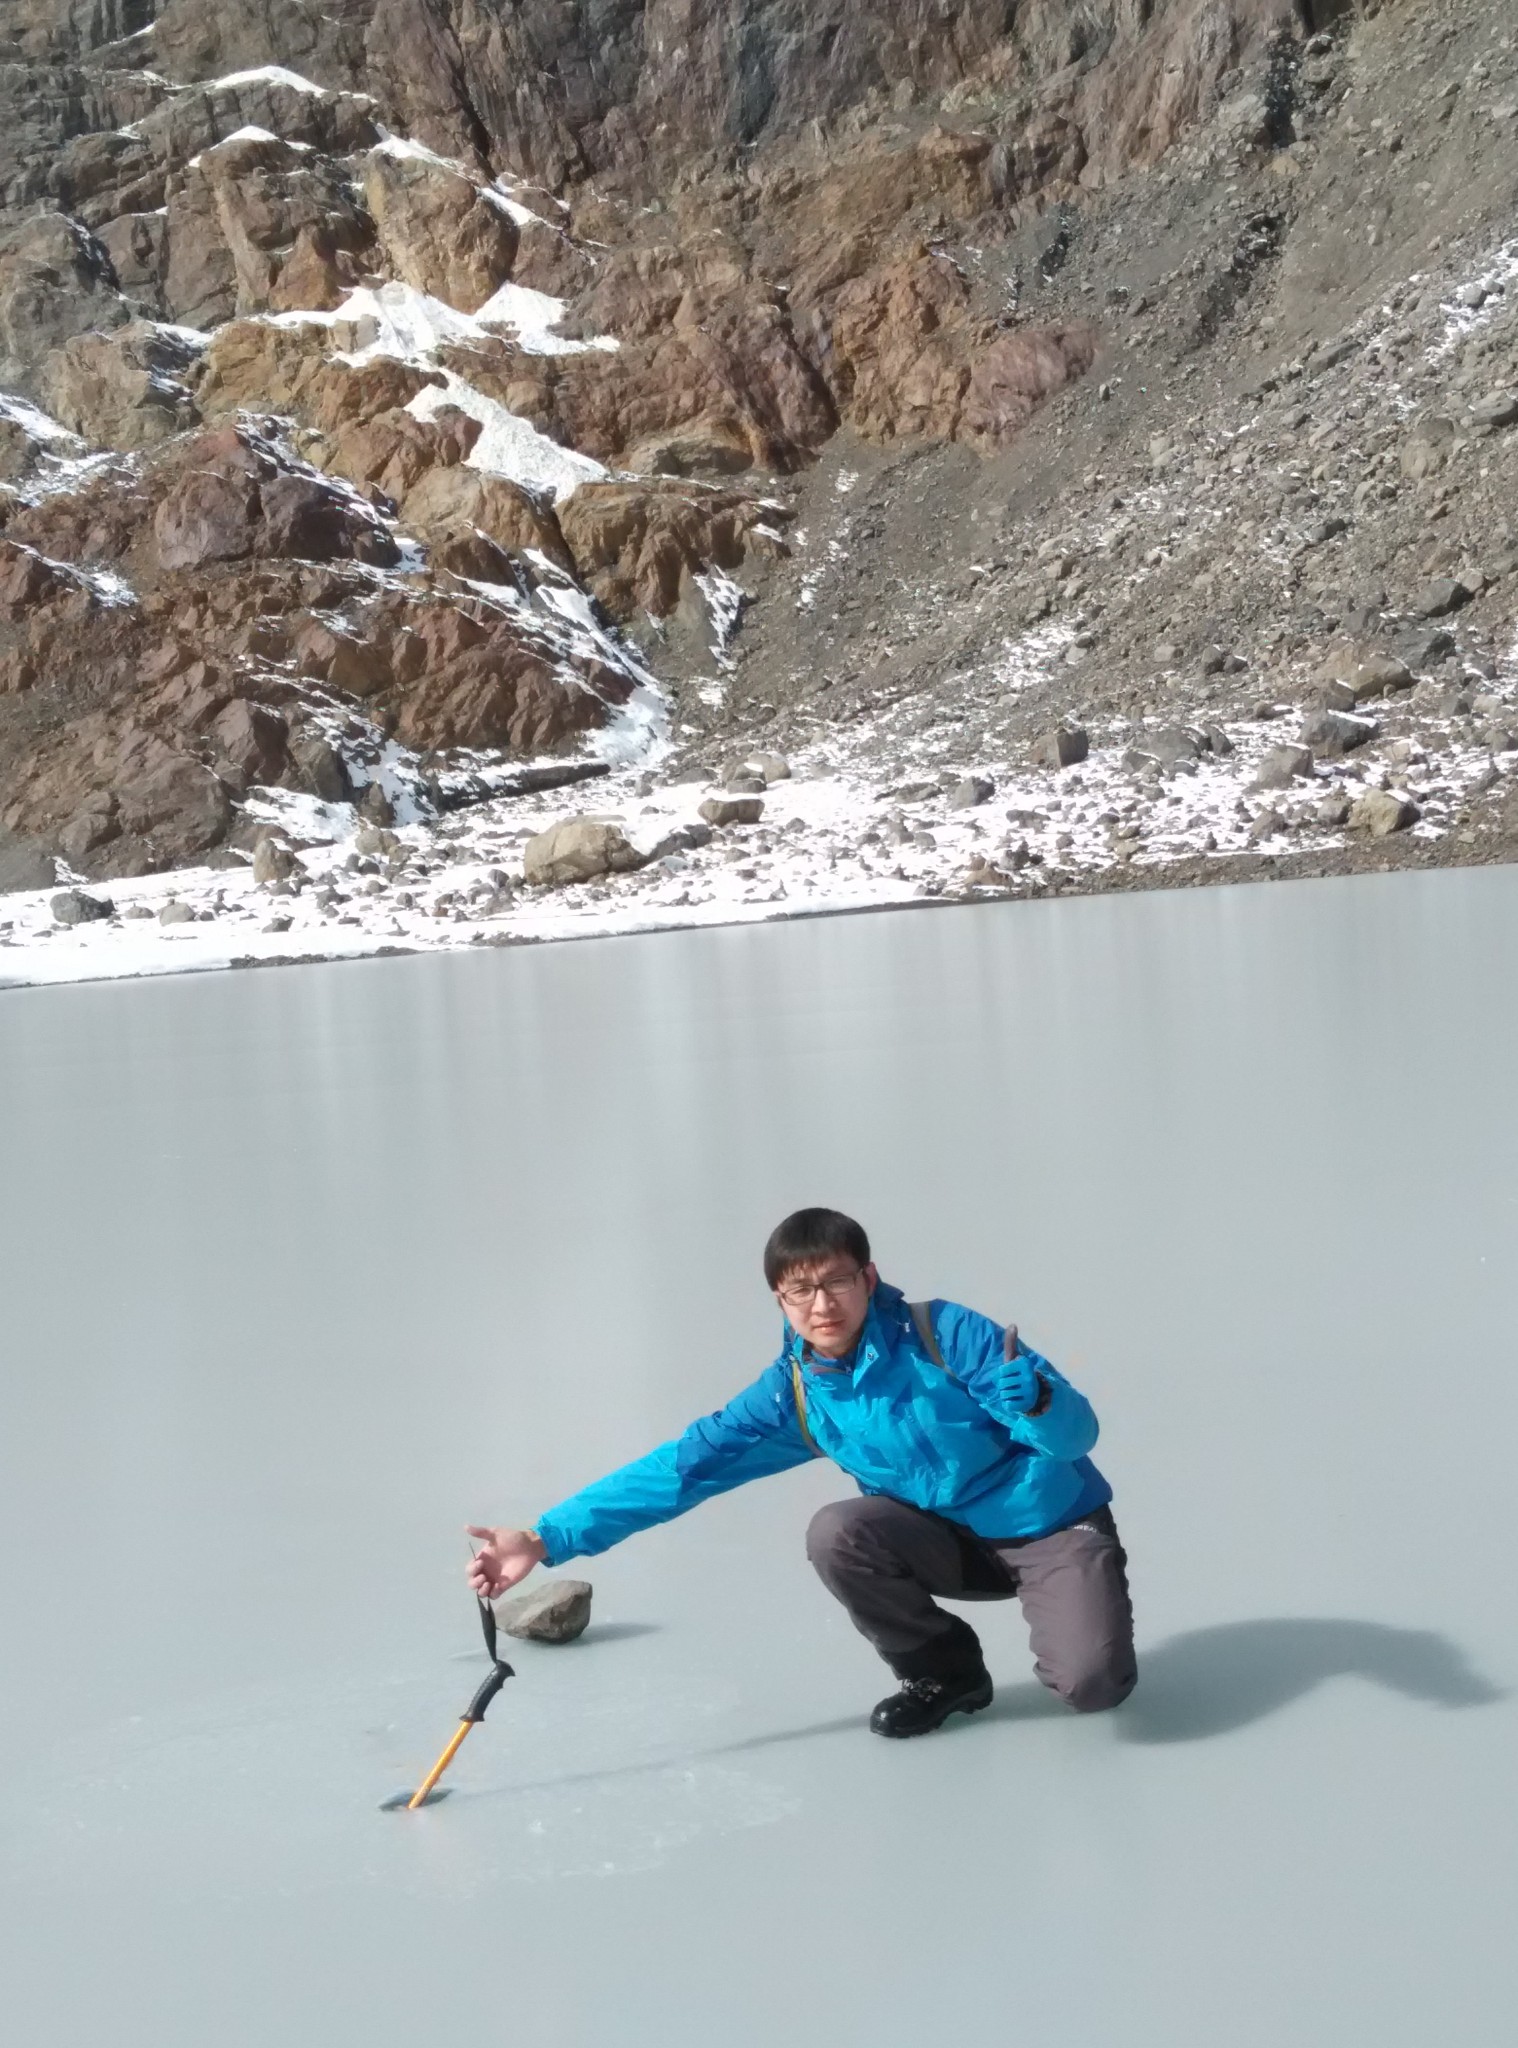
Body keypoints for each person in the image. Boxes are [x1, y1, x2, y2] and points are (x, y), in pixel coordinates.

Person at [468, 1207, 1136, 1737]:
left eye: (836, 1282)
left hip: (1047, 1524)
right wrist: (544, 1537)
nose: (821, 1304)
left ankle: (1083, 1591)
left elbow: (1077, 1436)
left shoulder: (946, 1334)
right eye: (800, 1290)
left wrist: (1042, 1403)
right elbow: (683, 1469)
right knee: (837, 1532)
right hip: (945, 1541)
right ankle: (945, 1675)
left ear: (868, 1280)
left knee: (1092, 1685)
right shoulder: (794, 1394)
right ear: (780, 1300)